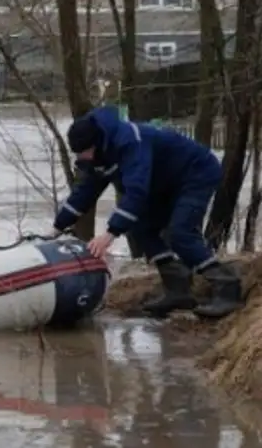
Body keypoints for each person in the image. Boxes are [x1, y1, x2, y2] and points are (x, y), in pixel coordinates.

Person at [52, 105, 244, 319]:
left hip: (195, 173)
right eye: (78, 153)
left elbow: (136, 192)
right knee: (140, 228)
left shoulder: (131, 142)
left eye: (84, 152)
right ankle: (178, 290)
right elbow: (84, 193)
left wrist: (110, 234)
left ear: (97, 143)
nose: (82, 157)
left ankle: (228, 288)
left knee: (180, 233)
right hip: (163, 182)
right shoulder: (98, 156)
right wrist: (57, 227)